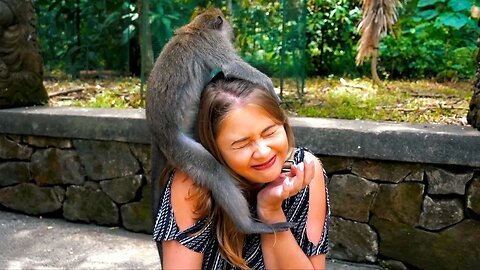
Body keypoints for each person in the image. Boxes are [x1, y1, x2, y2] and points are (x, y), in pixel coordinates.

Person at [152, 77, 330, 269]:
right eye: (242, 144)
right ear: (215, 151)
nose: (263, 152)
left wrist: (270, 212)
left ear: (283, 124)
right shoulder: (194, 183)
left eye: (269, 133)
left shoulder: (303, 170)